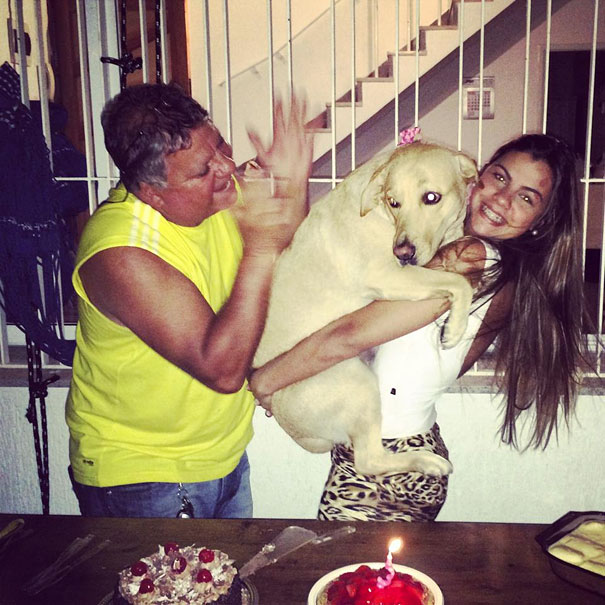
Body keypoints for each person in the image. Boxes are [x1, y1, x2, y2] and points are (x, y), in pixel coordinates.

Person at [250, 133, 589, 522]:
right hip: (407, 448)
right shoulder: (500, 266)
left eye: (526, 198)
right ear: (477, 176)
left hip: (387, 467)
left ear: (541, 222)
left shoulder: (467, 257)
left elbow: (347, 336)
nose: (501, 199)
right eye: (500, 177)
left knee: (346, 560)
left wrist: (266, 380)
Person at [65, 83, 313, 518]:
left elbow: (282, 237)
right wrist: (258, 251)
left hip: (222, 457)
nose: (227, 167)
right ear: (152, 192)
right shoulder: (121, 251)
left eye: (222, 147)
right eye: (202, 170)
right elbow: (221, 370)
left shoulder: (218, 196)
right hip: (144, 477)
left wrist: (294, 181)